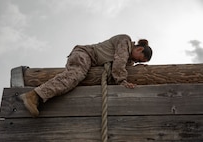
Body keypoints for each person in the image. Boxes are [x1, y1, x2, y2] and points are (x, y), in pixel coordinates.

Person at [20, 34, 153, 117]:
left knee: (77, 76)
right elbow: (119, 64)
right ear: (139, 49)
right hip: (85, 54)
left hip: (91, 61)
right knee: (75, 75)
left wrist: (137, 68)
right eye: (139, 60)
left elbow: (124, 65)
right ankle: (35, 95)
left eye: (139, 62)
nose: (137, 62)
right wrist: (122, 81)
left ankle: (38, 95)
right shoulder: (125, 40)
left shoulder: (129, 59)